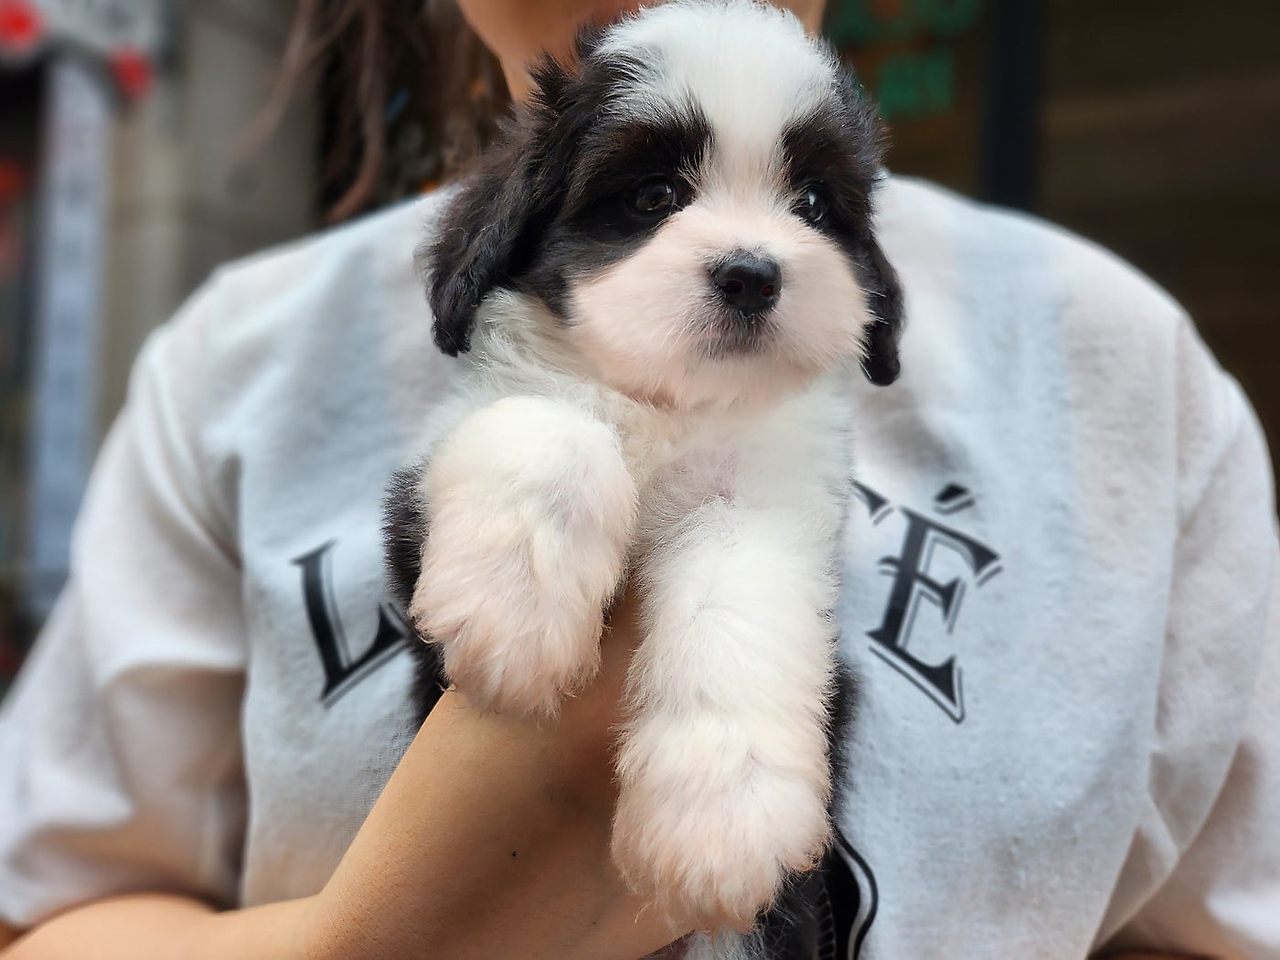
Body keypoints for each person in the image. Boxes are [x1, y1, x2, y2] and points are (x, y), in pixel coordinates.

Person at [0, 1, 1276, 957]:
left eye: (810, 206)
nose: (748, 252)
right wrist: (373, 943)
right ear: (509, 245)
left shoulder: (1131, 369)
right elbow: (46, 915)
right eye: (657, 188)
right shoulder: (232, 368)